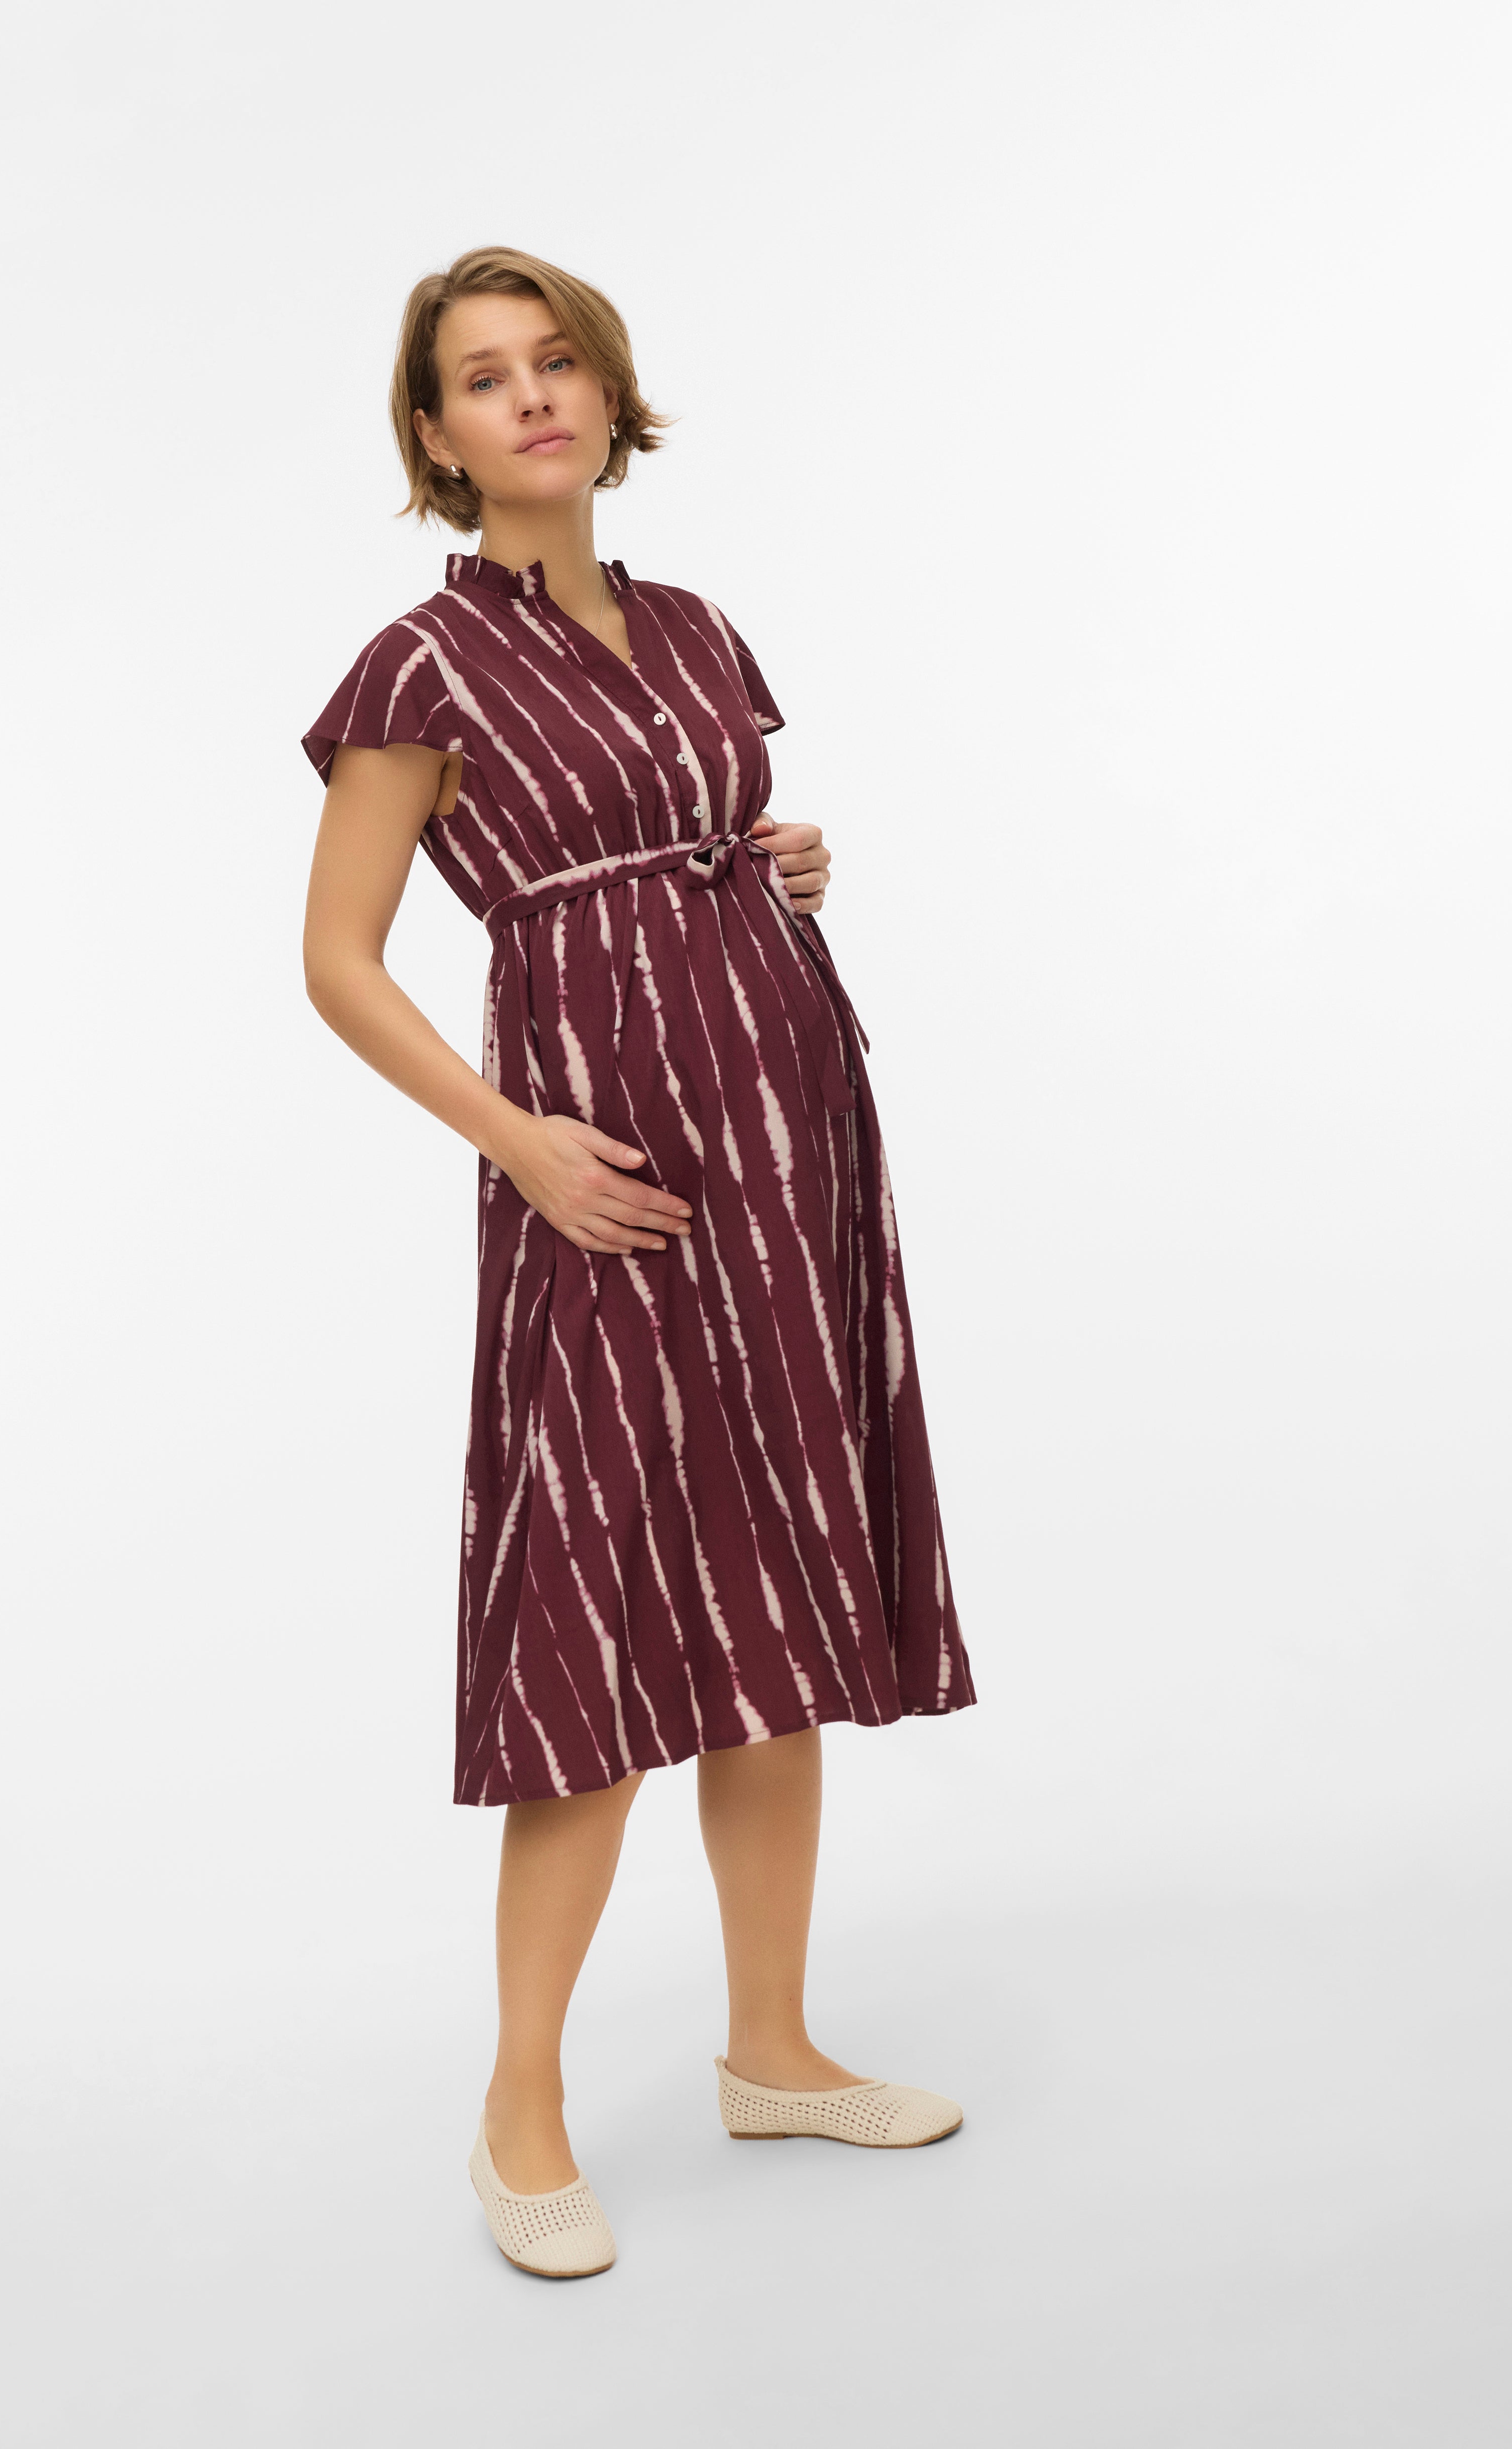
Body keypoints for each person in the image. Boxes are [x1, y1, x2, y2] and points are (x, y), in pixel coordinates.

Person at [300, 246, 977, 2279]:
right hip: (598, 1173)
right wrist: (516, 1143)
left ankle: (771, 2047)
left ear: (606, 394)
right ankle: (520, 2105)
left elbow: (697, 842)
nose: (530, 396)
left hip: (782, 1146)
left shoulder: (693, 627)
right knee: (593, 1630)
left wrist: (779, 862)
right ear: (437, 435)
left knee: (776, 1589)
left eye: (557, 361)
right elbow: (337, 960)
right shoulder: (419, 668)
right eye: (482, 377)